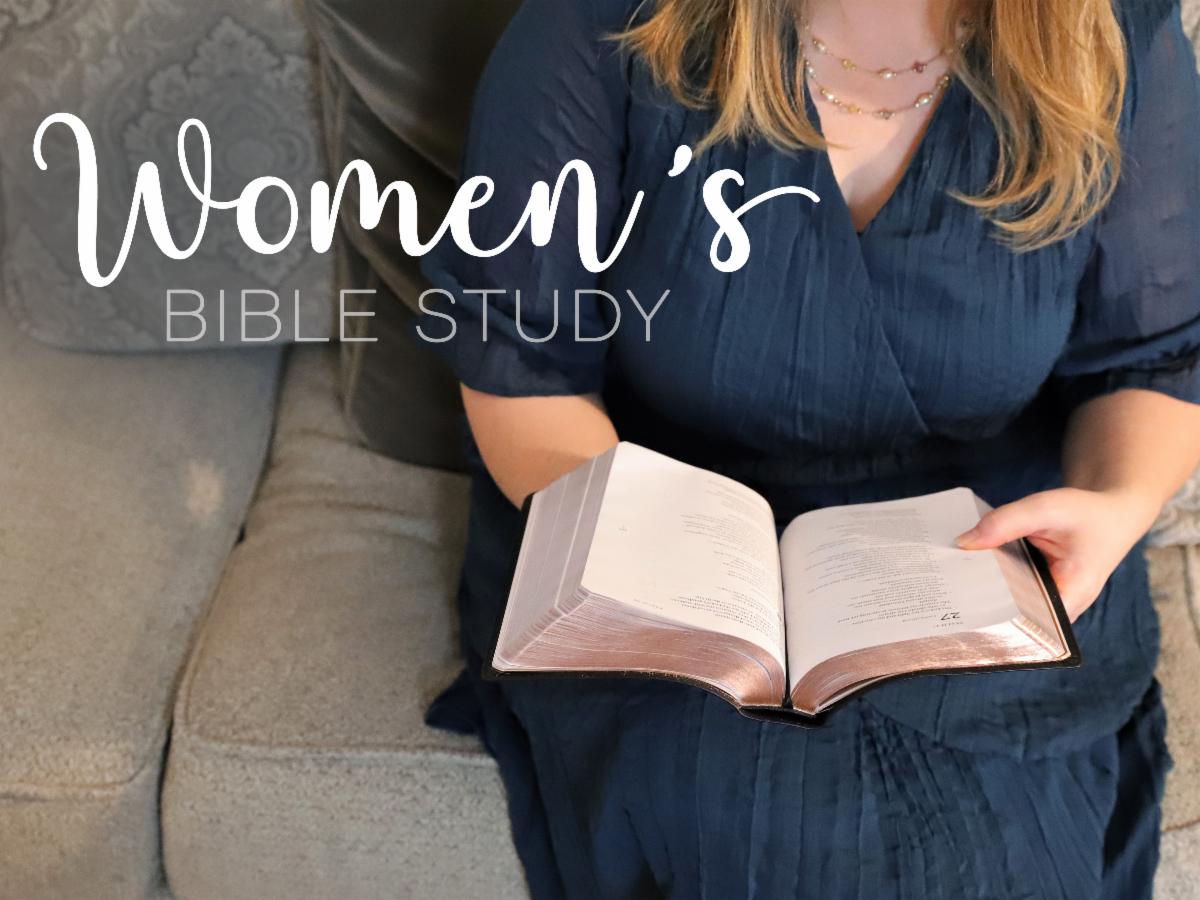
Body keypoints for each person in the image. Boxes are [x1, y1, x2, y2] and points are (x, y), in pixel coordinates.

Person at [416, 0, 1200, 896]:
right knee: (731, 818)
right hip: (656, 533)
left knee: (1004, 856)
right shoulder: (599, 25)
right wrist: (637, 570)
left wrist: (1117, 502)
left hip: (979, 554)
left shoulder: (1111, 34)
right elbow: (524, 359)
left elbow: (1156, 359)